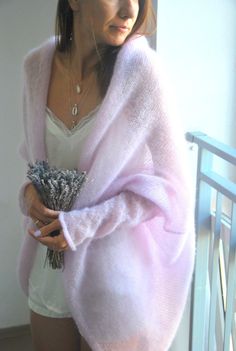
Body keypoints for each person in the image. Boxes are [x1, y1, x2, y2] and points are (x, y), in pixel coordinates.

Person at [17, 0, 195, 350]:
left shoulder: (143, 73)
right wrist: (29, 195)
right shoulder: (36, 67)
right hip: (49, 272)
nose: (132, 11)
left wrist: (85, 223)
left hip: (114, 278)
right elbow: (36, 162)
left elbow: (172, 190)